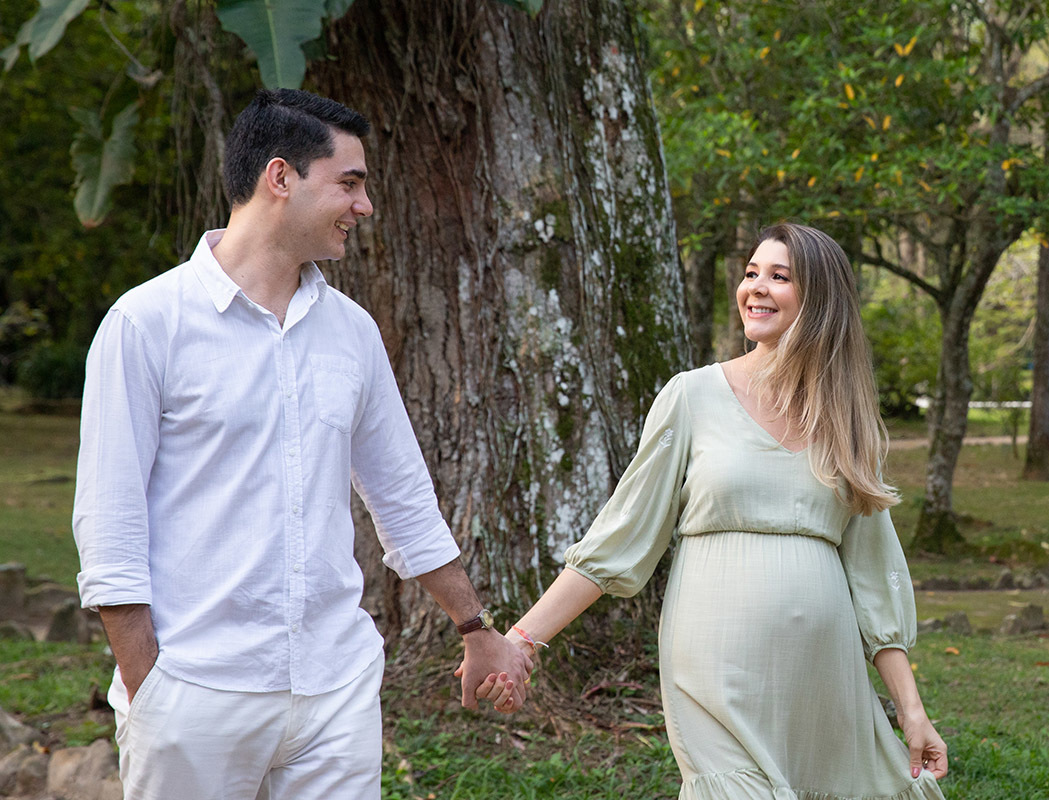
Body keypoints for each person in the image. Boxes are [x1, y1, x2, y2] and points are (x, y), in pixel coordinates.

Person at [72, 89, 531, 800]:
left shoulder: (352, 332)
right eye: (349, 183)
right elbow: (109, 523)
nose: (365, 205)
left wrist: (476, 627)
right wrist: (150, 683)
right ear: (280, 178)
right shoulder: (146, 324)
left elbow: (402, 495)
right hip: (194, 691)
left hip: (334, 691)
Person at [475, 223, 949, 799]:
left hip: (824, 682)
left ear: (820, 299)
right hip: (713, 667)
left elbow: (875, 580)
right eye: (751, 273)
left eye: (779, 276)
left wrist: (912, 712)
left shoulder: (847, 422)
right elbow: (617, 541)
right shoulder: (692, 397)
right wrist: (522, 640)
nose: (756, 288)